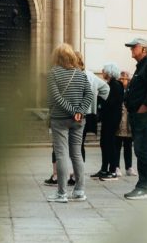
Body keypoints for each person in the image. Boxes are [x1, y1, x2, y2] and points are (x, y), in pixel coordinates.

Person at [45, 44, 92, 204]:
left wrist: (72, 111)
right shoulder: (80, 74)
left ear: (56, 57)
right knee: (76, 154)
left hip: (60, 119)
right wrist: (79, 111)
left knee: (61, 155)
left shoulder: (53, 73)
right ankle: (79, 191)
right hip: (78, 120)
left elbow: (55, 97)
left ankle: (61, 193)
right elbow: (89, 94)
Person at [123, 37, 147, 201]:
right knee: (143, 150)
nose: (131, 49)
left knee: (142, 150)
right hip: (141, 114)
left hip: (146, 115)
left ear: (144, 49)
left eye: (134, 47)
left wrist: (141, 110)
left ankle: (144, 186)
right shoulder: (142, 65)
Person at [78, 52, 109, 177]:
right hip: (88, 114)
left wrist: (98, 102)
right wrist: (95, 103)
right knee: (79, 144)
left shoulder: (74, 75)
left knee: (75, 145)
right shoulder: (90, 75)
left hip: (77, 114)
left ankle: (76, 174)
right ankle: (77, 174)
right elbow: (105, 89)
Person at [97, 64, 124, 179]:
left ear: (109, 72)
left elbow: (111, 102)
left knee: (110, 143)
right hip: (108, 118)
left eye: (104, 70)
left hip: (112, 118)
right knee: (104, 143)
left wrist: (99, 98)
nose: (102, 72)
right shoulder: (110, 84)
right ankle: (104, 169)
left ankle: (112, 170)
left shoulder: (115, 85)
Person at [117, 69, 134, 176]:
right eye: (122, 78)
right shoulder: (117, 89)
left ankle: (129, 167)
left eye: (126, 78)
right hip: (119, 121)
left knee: (128, 145)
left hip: (129, 122)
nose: (124, 80)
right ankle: (116, 166)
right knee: (117, 145)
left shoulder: (131, 90)